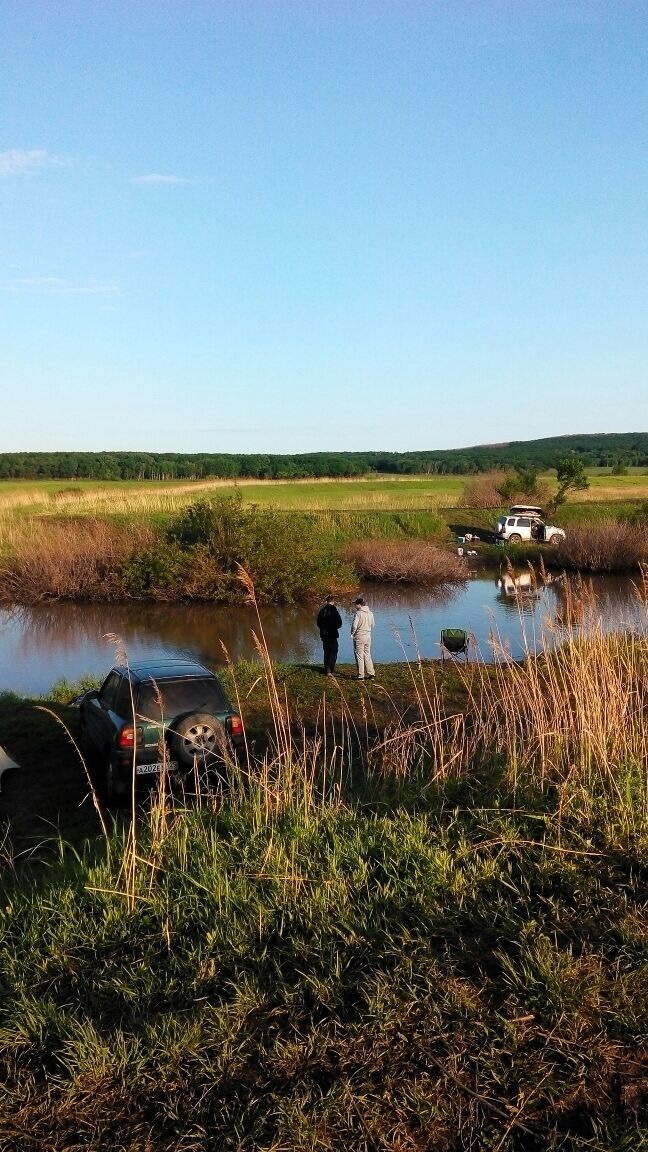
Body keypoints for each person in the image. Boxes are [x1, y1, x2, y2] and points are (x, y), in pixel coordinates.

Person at [316, 595, 343, 676]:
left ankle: (326, 669)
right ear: (333, 602)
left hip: (324, 635)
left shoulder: (322, 611)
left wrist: (323, 629)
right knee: (334, 651)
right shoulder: (334, 611)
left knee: (326, 651)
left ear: (326, 601)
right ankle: (330, 670)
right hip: (332, 634)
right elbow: (339, 623)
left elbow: (318, 623)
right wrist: (334, 628)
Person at [350, 596, 375, 681]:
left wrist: (352, 633)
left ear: (359, 605)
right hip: (368, 635)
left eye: (355, 604)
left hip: (359, 636)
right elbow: (373, 625)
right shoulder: (371, 613)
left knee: (360, 655)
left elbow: (354, 625)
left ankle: (361, 676)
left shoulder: (358, 613)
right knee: (367, 654)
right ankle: (371, 673)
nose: (355, 606)